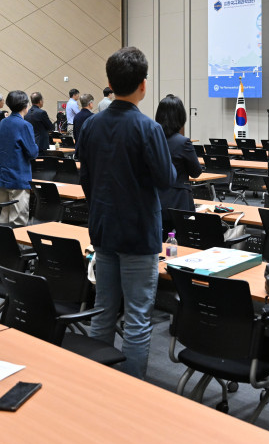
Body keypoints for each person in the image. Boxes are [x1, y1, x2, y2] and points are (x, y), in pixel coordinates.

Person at [76, 47, 175, 379]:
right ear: (143, 85)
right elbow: (166, 179)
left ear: (110, 81)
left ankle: (98, 381)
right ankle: (131, 392)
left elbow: (86, 178)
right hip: (138, 233)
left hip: (102, 228)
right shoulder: (148, 128)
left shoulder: (90, 125)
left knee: (102, 310)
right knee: (136, 317)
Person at [0, 90, 38, 227]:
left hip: (0, 176)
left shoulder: (3, 122)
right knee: (18, 222)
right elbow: (32, 153)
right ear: (26, 105)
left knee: (2, 220)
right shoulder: (25, 125)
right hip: (17, 176)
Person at [155, 94, 202, 215]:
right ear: (180, 117)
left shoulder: (152, 139)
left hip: (154, 199)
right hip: (178, 201)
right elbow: (196, 172)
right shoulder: (183, 142)